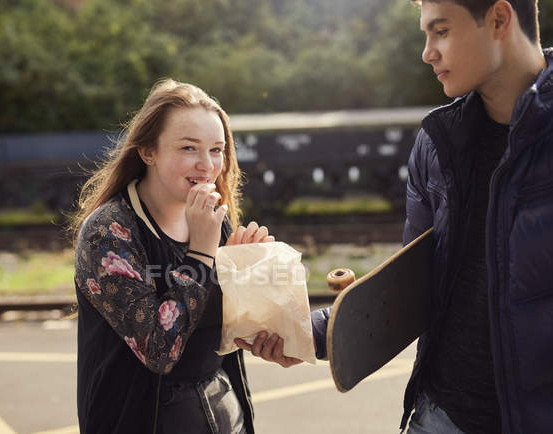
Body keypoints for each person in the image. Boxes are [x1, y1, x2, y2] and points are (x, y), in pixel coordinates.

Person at [237, 1, 553, 432]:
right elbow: (413, 284)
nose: (427, 52)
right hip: (439, 417)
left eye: (440, 31)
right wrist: (313, 333)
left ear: (499, 19)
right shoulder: (437, 143)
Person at [70, 78, 273, 434]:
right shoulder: (108, 232)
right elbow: (159, 349)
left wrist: (243, 278)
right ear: (148, 152)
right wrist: (202, 256)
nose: (207, 166)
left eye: (216, 150)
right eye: (188, 149)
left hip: (224, 416)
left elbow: (226, 331)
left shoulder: (214, 219)